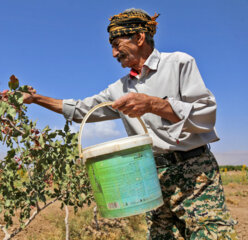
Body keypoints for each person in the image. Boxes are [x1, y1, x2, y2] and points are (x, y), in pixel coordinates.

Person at [23, 8, 238, 240]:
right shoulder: (119, 88)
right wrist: (36, 99)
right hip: (151, 177)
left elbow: (206, 115)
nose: (114, 53)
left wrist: (154, 105)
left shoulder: (179, 63)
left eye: (117, 44)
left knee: (212, 235)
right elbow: (81, 110)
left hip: (195, 173)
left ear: (139, 37)